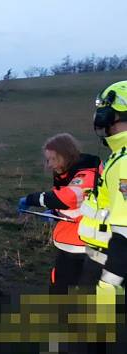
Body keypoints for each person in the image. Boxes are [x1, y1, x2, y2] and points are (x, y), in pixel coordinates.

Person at [17, 133, 100, 293]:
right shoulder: (69, 173)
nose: (49, 165)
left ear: (66, 155)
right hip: (72, 243)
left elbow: (68, 197)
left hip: (81, 246)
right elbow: (77, 203)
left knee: (66, 290)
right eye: (47, 160)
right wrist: (55, 212)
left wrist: (31, 199)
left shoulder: (86, 173)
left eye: (53, 159)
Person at [79, 81, 127, 294]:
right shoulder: (118, 156)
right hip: (102, 256)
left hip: (110, 265)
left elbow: (125, 232)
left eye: (104, 112)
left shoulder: (124, 161)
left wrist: (108, 285)